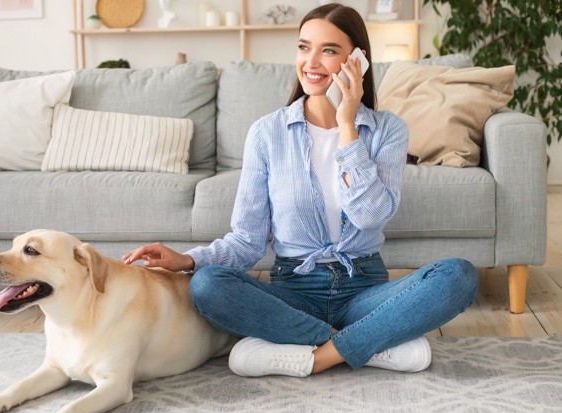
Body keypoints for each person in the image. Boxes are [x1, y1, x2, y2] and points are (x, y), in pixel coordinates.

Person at [123, 3, 479, 378]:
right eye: (303, 47)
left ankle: (320, 354)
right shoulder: (267, 132)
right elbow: (247, 240)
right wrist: (187, 261)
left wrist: (347, 127)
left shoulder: (387, 130)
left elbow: (370, 215)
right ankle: (368, 345)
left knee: (458, 276)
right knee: (209, 286)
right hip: (294, 292)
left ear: (356, 60)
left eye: (328, 50)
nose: (311, 61)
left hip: (364, 291)